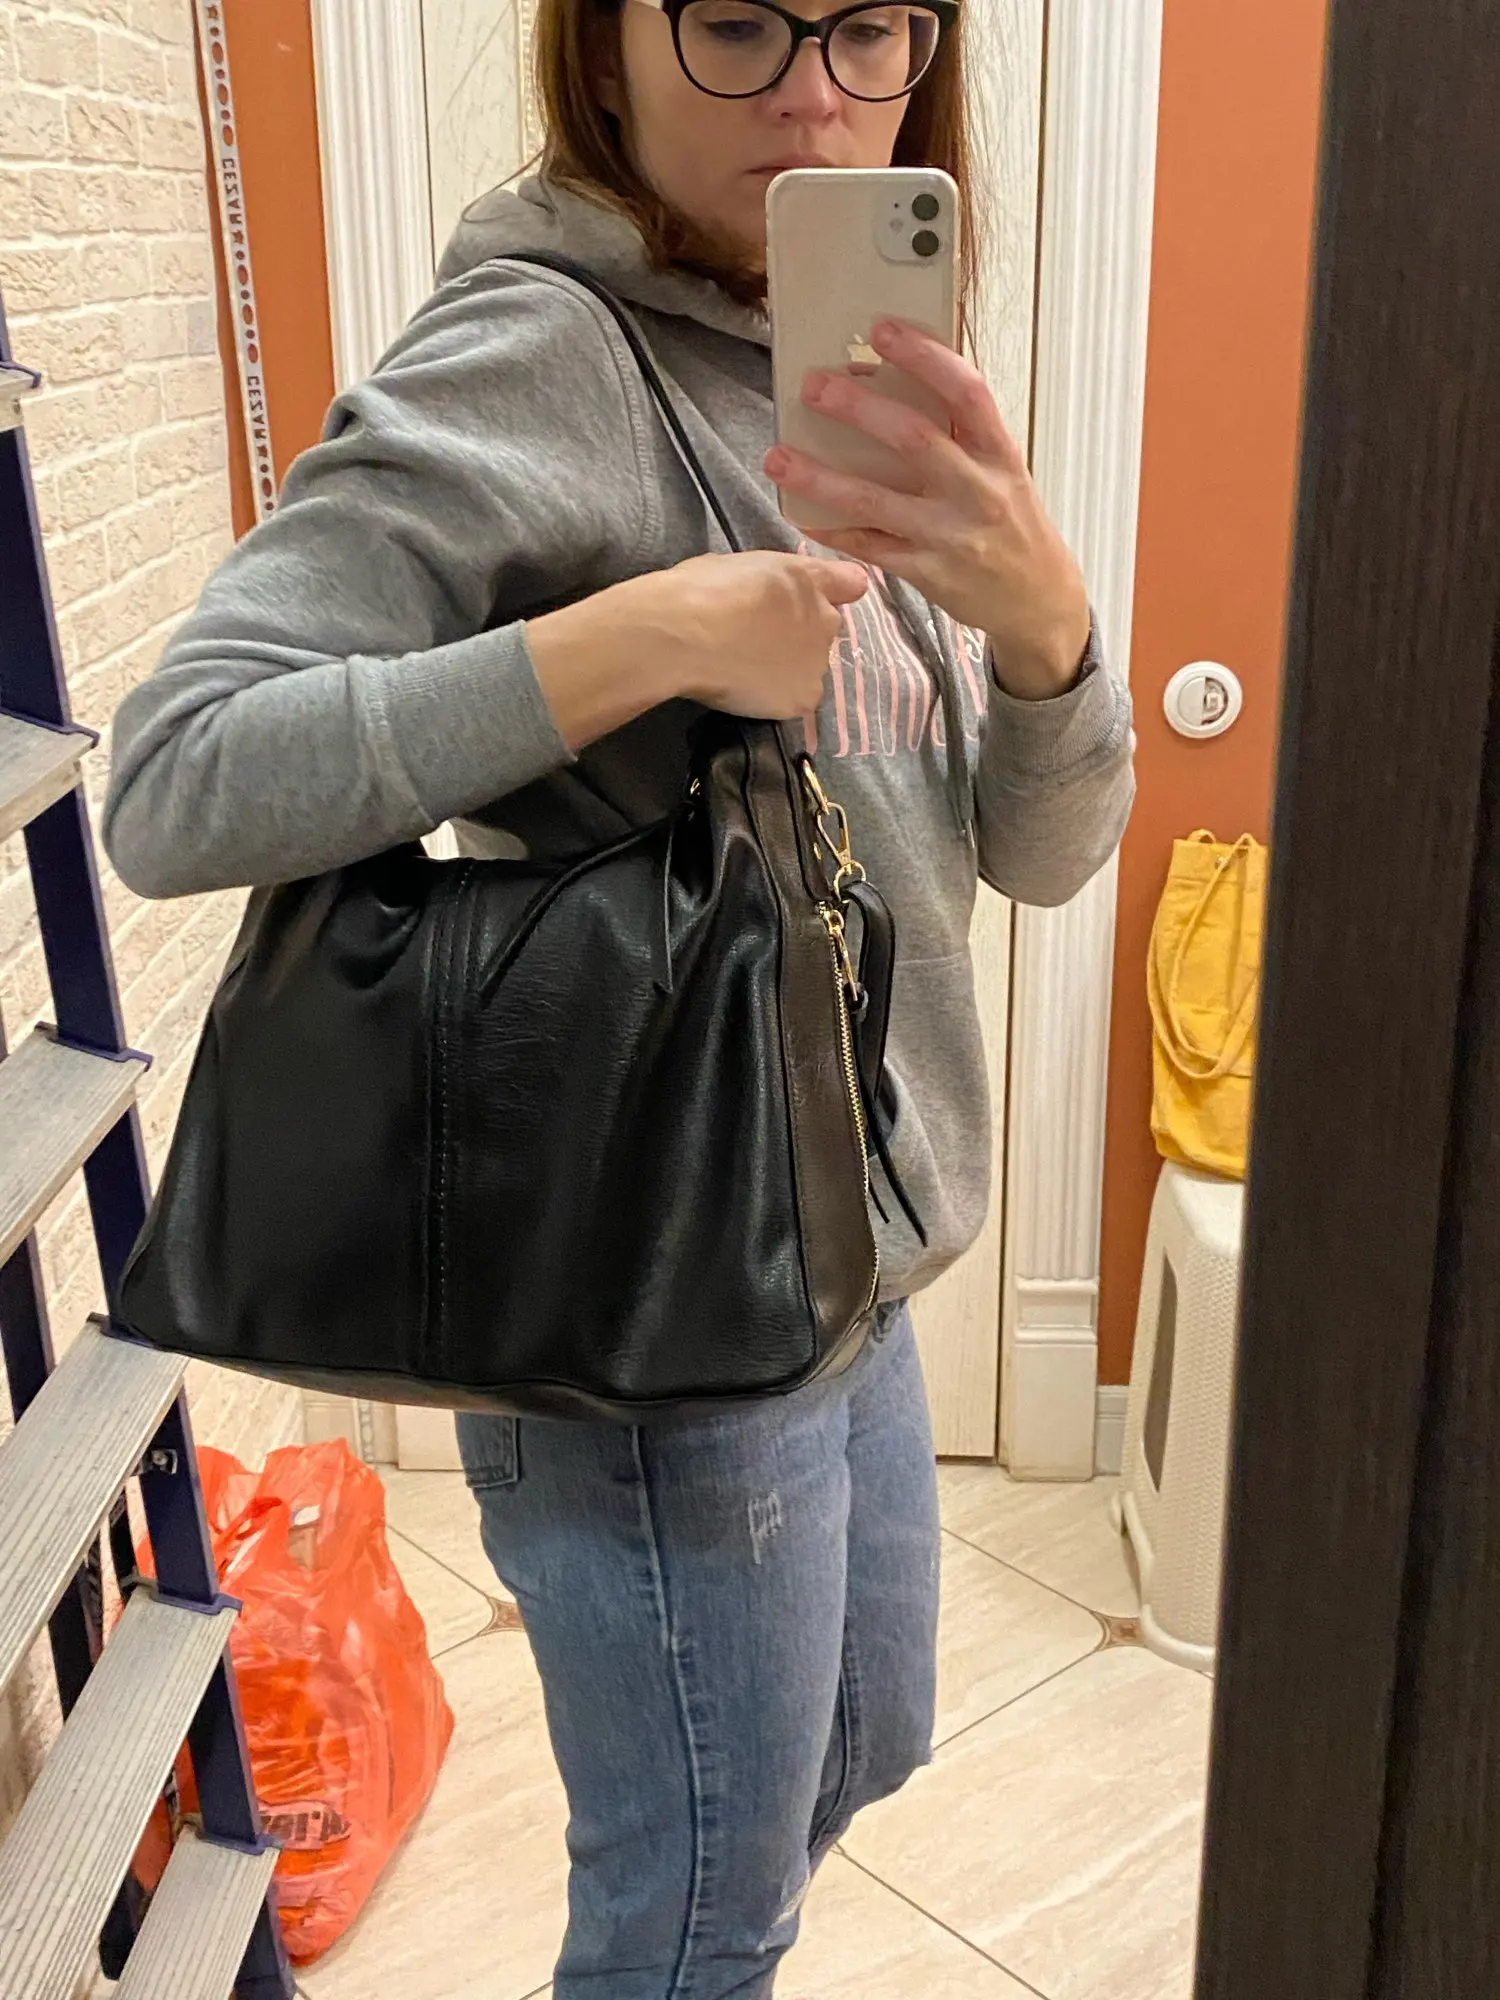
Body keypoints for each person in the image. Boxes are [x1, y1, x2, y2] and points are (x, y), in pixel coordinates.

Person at [105, 2, 1135, 1992]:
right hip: (657, 1296)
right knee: (691, 1918)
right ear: (606, 51)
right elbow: (174, 779)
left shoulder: (861, 371)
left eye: (870, 26)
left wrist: (1044, 620)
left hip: (858, 1252)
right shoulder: (543, 351)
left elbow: (1042, 852)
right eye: (736, 22)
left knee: (856, 1751)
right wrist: (637, 640)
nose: (816, 89)